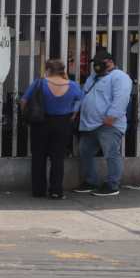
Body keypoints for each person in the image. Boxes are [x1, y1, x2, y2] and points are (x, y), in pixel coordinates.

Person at [21, 59, 83, 199]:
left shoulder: (39, 83)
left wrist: (26, 115)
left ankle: (38, 191)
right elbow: (79, 101)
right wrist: (73, 114)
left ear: (48, 70)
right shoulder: (73, 85)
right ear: (62, 70)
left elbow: (24, 100)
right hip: (63, 123)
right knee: (58, 158)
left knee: (38, 157)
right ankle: (56, 191)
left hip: (40, 122)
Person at [73, 50, 133, 197]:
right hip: (89, 124)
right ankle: (90, 181)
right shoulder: (93, 78)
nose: (97, 65)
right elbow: (83, 95)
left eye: (101, 62)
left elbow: (121, 98)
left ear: (110, 61)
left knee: (111, 154)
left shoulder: (120, 77)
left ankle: (113, 185)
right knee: (85, 152)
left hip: (108, 124)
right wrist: (75, 111)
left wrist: (112, 116)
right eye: (95, 63)